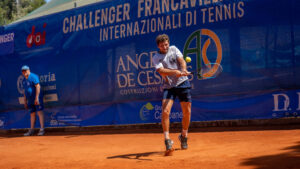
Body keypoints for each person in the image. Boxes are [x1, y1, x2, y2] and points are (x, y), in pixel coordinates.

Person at [152, 34, 192, 155]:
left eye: (166, 44)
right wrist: (175, 72)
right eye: (162, 45)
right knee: (165, 111)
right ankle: (167, 140)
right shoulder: (156, 57)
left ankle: (184, 135)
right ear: (158, 46)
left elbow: (182, 61)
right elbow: (161, 70)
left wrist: (183, 70)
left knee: (187, 112)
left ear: (168, 43)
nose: (165, 46)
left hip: (183, 84)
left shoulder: (174, 49)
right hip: (169, 87)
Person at [21, 65, 45, 136]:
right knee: (32, 114)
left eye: (25, 70)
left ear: (29, 70)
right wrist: (25, 101)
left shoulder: (33, 76)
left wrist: (37, 97)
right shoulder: (23, 80)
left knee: (39, 112)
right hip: (30, 100)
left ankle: (42, 129)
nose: (24, 72)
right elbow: (25, 91)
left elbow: (38, 86)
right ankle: (31, 130)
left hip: (36, 98)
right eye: (23, 71)